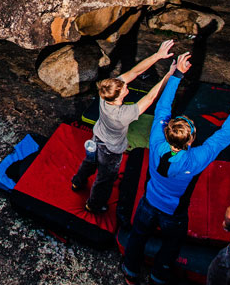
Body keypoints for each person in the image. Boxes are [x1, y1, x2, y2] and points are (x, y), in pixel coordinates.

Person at [120, 56, 230, 285]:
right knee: (171, 246)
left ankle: (130, 273)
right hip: (173, 213)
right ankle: (157, 279)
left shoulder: (156, 140)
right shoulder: (194, 160)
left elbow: (163, 108)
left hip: (149, 202)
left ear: (167, 131)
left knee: (138, 236)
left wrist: (177, 75)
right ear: (190, 140)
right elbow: (223, 137)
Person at [71, 39, 178, 213]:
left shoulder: (106, 92)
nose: (126, 87)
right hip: (111, 151)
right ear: (118, 97)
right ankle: (93, 205)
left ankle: (77, 182)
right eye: (124, 89)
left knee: (89, 162)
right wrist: (169, 76)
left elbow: (134, 72)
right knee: (104, 179)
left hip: (96, 138)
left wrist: (158, 55)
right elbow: (150, 98)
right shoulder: (122, 115)